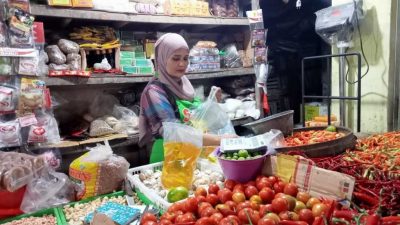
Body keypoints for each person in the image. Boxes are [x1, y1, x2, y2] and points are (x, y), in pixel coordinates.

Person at [139, 33, 234, 163]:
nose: (182, 64)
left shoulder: (183, 84)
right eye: (176, 58)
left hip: (189, 156)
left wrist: (211, 104)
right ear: (162, 58)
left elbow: (194, 118)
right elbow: (172, 133)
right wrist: (220, 140)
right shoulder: (154, 92)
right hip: (168, 159)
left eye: (185, 58)